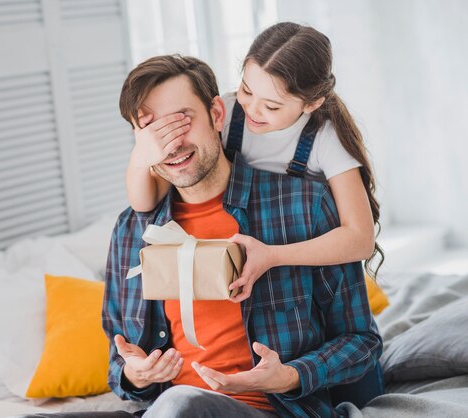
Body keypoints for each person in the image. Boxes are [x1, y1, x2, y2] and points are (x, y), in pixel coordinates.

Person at [100, 54, 382, 418]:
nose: (171, 144)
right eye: (153, 130)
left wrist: (289, 376)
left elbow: (362, 342)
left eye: (182, 121)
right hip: (164, 409)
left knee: (182, 404)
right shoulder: (130, 230)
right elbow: (117, 362)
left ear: (217, 114)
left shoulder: (302, 206)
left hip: (270, 410)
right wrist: (135, 374)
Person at [125, 22, 384, 303]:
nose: (252, 110)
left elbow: (360, 239)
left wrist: (272, 256)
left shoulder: (325, 138)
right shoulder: (226, 112)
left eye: (272, 106)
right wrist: (141, 158)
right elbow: (145, 202)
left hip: (299, 263)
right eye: (247, 90)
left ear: (311, 104)